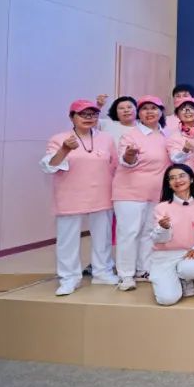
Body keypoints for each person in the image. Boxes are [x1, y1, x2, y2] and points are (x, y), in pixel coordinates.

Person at [41, 100, 119, 295]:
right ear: (72, 117)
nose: (89, 118)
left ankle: (102, 272)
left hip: (102, 194)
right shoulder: (59, 138)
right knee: (67, 240)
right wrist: (64, 149)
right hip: (70, 195)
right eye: (83, 114)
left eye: (93, 114)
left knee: (103, 237)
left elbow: (114, 165)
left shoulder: (106, 138)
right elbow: (49, 166)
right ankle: (69, 278)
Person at [113, 95, 169, 291]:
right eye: (145, 109)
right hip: (129, 193)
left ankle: (143, 269)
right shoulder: (131, 135)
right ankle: (125, 275)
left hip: (156, 193)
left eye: (154, 108)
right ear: (139, 113)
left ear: (161, 112)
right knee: (129, 233)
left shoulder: (166, 134)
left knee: (148, 232)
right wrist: (130, 155)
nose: (149, 112)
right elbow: (126, 160)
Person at [148, 164, 194, 305]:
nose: (178, 180)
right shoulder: (161, 207)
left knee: (190, 269)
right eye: (172, 178)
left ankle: (186, 279)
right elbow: (158, 239)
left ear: (191, 179)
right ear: (168, 183)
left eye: (181, 176)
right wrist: (164, 228)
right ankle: (175, 281)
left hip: (190, 253)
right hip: (164, 256)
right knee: (167, 299)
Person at [166, 96, 194, 164]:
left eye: (191, 108)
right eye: (182, 109)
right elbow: (175, 159)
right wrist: (185, 150)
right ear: (177, 115)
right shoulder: (173, 137)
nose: (187, 111)